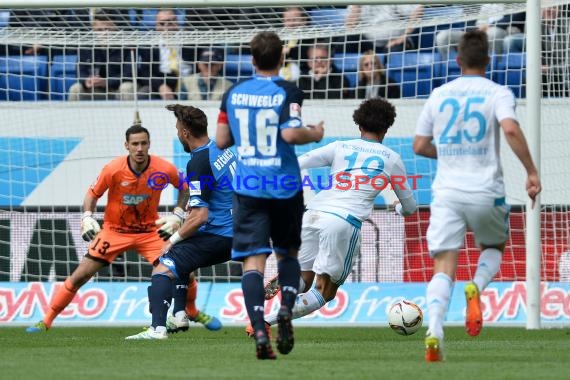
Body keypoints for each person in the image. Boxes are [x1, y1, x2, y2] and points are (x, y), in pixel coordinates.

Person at [413, 30, 541, 362]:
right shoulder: (497, 92)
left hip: (447, 193)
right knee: (495, 247)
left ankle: (434, 333)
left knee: (443, 265)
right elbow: (510, 129)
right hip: (486, 190)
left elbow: (420, 145)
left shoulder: (439, 94)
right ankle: (477, 287)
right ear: (488, 61)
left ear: (457, 60)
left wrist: (453, 155)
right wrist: (531, 170)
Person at [26, 124, 219, 333]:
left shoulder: (163, 168)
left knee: (183, 270)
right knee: (80, 275)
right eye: (135, 144)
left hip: (149, 232)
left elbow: (185, 188)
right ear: (126, 145)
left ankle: (189, 310)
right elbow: (92, 194)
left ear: (149, 145)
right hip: (114, 231)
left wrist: (178, 213)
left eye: (143, 143)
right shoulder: (114, 169)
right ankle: (46, 320)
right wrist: (87, 216)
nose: (139, 148)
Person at [254, 97, 417, 333]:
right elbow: (410, 206)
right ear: (387, 127)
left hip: (312, 215)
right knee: (325, 291)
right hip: (343, 221)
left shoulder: (339, 146)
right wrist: (399, 209)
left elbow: (300, 162)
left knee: (305, 276)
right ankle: (267, 320)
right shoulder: (391, 158)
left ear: (359, 125)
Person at [215, 31, 324, 360]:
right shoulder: (288, 90)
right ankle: (287, 308)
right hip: (284, 187)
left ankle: (260, 328)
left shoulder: (233, 93)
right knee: (288, 255)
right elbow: (291, 132)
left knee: (254, 262)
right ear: (281, 60)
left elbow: (221, 140)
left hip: (248, 188)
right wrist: (314, 133)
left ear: (251, 59)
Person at [126, 104, 235, 340]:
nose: (177, 133)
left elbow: (200, 216)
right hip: (241, 230)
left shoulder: (198, 162)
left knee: (163, 265)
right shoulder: (222, 147)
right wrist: (180, 219)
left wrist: (173, 237)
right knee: (180, 255)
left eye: (177, 129)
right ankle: (179, 314)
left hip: (220, 234)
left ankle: (157, 330)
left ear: (185, 133)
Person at [67, 11, 135, 101]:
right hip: (95, 87)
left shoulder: (126, 46)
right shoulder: (86, 46)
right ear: (93, 30)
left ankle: (130, 114)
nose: (104, 33)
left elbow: (129, 74)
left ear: (116, 29)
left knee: (127, 87)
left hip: (117, 88)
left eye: (108, 29)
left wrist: (107, 82)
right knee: (75, 89)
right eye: (99, 30)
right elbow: (80, 71)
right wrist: (86, 80)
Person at [138, 9, 195, 100]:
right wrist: (160, 86)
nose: (166, 27)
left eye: (170, 22)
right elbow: (145, 73)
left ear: (176, 22)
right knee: (143, 93)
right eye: (162, 23)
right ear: (156, 26)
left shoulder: (190, 39)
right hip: (162, 80)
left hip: (189, 80)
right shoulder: (149, 45)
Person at [345, 4, 424, 53]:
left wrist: (403, 37)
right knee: (345, 41)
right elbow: (350, 27)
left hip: (396, 42)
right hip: (369, 43)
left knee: (394, 52)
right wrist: (357, 5)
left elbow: (418, 9)